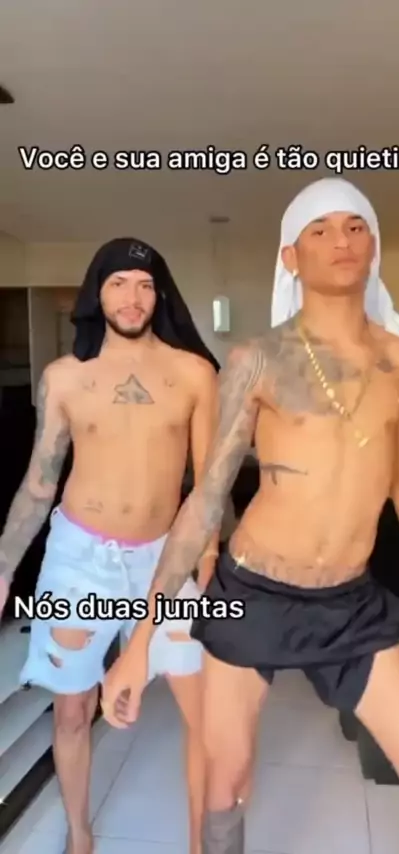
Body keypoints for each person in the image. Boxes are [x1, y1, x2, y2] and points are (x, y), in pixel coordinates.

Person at [101, 181, 399, 854]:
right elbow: (206, 499)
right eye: (319, 230)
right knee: (225, 789)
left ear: (374, 245)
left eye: (355, 226)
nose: (341, 240)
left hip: (351, 604)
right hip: (254, 594)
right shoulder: (257, 360)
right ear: (291, 257)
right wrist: (140, 643)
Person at [0, 237, 222, 854]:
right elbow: (40, 480)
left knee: (202, 710)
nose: (133, 297)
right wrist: (4, 564)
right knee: (73, 710)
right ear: (97, 294)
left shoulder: (194, 374)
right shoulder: (64, 377)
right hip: (80, 558)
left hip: (167, 556)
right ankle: (79, 834)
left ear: (160, 296)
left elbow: (209, 484)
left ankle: (201, 843)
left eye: (145, 285)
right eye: (119, 283)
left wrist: (208, 556)